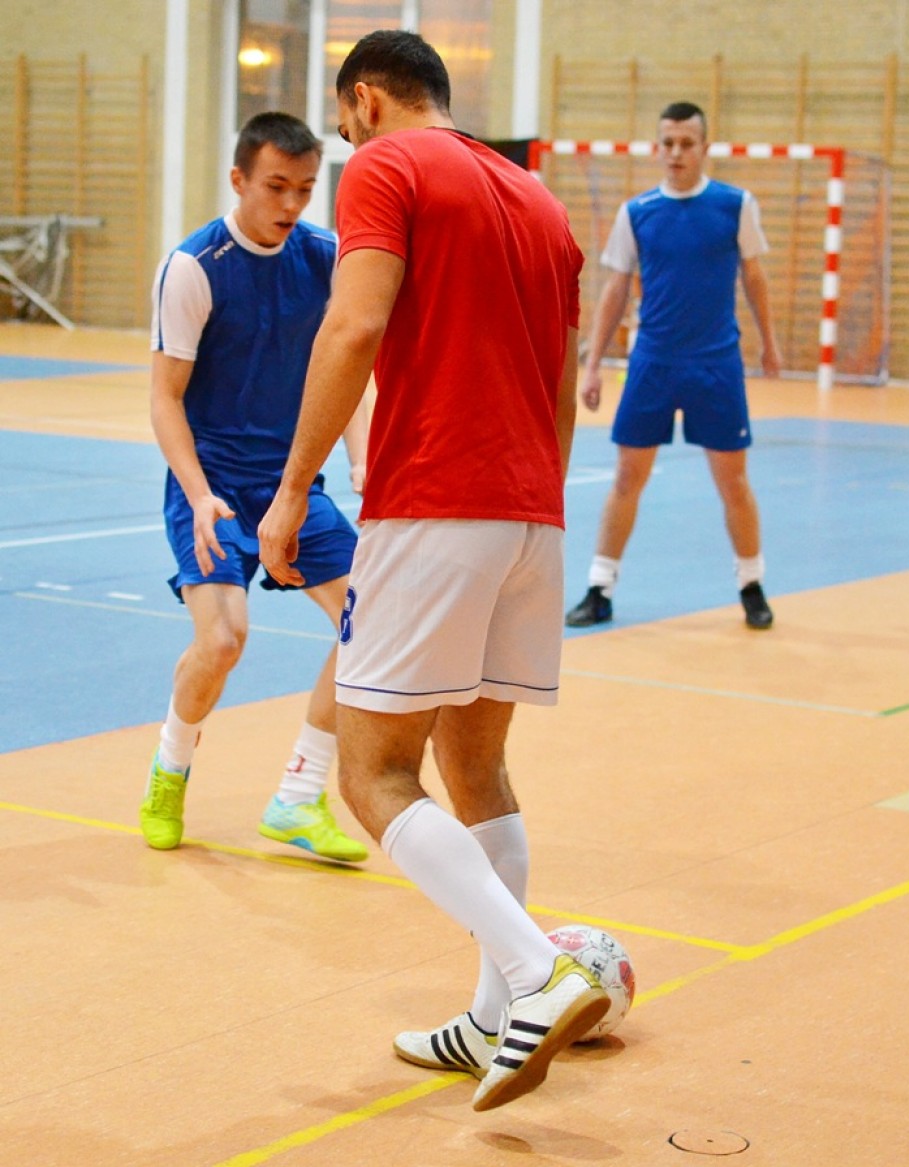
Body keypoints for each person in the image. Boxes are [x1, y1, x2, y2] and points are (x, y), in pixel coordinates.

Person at [258, 31, 609, 1111]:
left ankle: (537, 970)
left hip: (432, 502)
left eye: (344, 124)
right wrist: (530, 506)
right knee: (477, 768)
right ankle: (496, 1019)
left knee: (372, 773)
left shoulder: (388, 167)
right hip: (532, 516)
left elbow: (354, 323)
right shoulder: (541, 204)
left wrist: (293, 487)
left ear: (366, 100)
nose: (347, 142)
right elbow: (560, 386)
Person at [140, 111, 368, 864]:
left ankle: (298, 796)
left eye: (305, 188)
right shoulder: (194, 266)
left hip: (293, 484)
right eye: (276, 187)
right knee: (223, 639)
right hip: (213, 487)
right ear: (239, 180)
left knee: (371, 623)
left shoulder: (327, 258)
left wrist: (364, 463)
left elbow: (349, 374)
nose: (292, 203)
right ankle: (170, 769)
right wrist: (197, 493)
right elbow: (165, 397)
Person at [565, 101, 782, 631]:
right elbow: (615, 290)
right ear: (657, 148)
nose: (677, 152)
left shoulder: (735, 205)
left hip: (715, 364)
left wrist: (769, 343)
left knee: (733, 480)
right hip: (653, 364)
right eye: (668, 143)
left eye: (687, 143)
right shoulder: (637, 213)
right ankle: (600, 588)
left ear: (705, 148)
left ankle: (751, 584)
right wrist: (592, 366)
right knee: (626, 477)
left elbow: (755, 278)